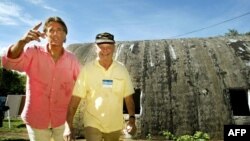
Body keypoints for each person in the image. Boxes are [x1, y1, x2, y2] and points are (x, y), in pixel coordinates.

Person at [1, 16, 80, 141]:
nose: (55, 33)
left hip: (62, 119)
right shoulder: (33, 52)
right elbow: (9, 62)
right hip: (36, 118)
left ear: (65, 35)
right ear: (45, 35)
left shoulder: (72, 59)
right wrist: (23, 41)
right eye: (51, 30)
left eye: (59, 30)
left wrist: (70, 121)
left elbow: (81, 85)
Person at [65, 32, 137, 141]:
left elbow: (128, 97)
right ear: (95, 48)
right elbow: (76, 98)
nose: (105, 50)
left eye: (108, 47)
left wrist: (131, 120)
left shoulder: (121, 69)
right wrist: (68, 125)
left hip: (115, 124)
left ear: (114, 48)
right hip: (92, 122)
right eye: (101, 47)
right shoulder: (87, 70)